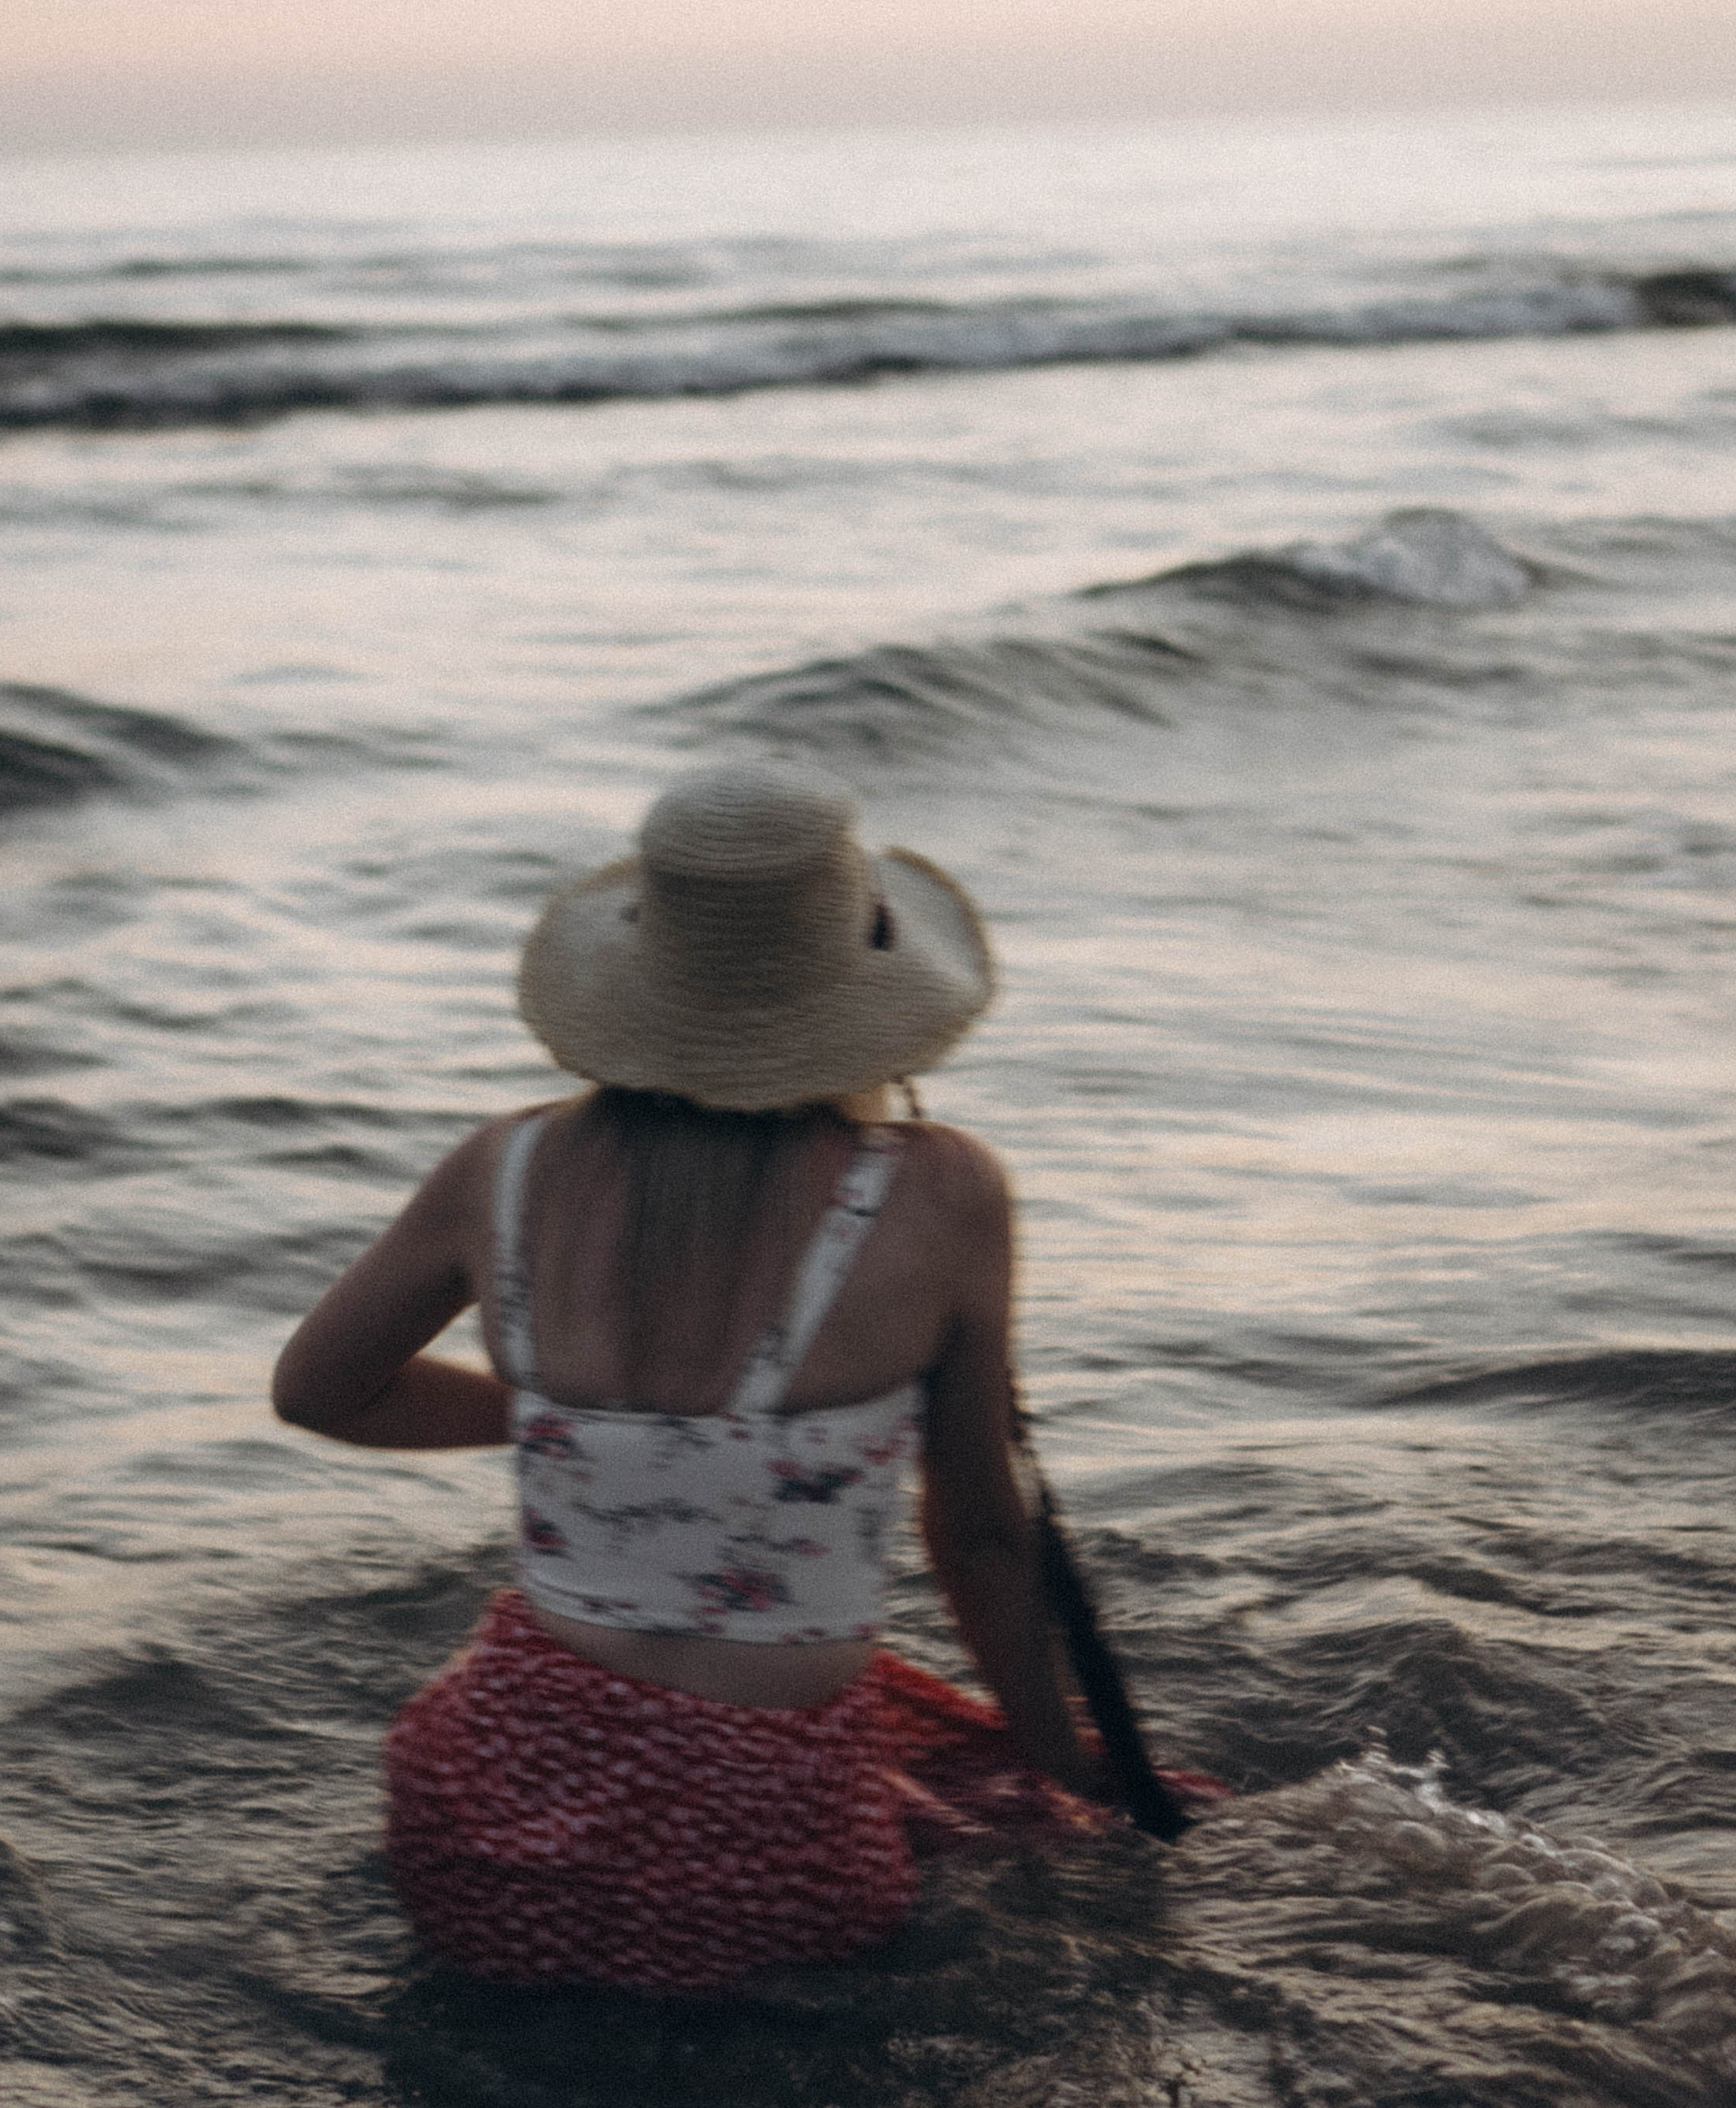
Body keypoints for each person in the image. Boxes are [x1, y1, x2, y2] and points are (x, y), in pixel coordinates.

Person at [273, 760, 1127, 1994]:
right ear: (862, 980)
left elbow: (319, 1393)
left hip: (482, 1822)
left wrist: (575, 1423)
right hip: (770, 1860)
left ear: (643, 968)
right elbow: (984, 1536)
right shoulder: (942, 1190)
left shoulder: (504, 1169)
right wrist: (1070, 1767)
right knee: (1008, 1837)